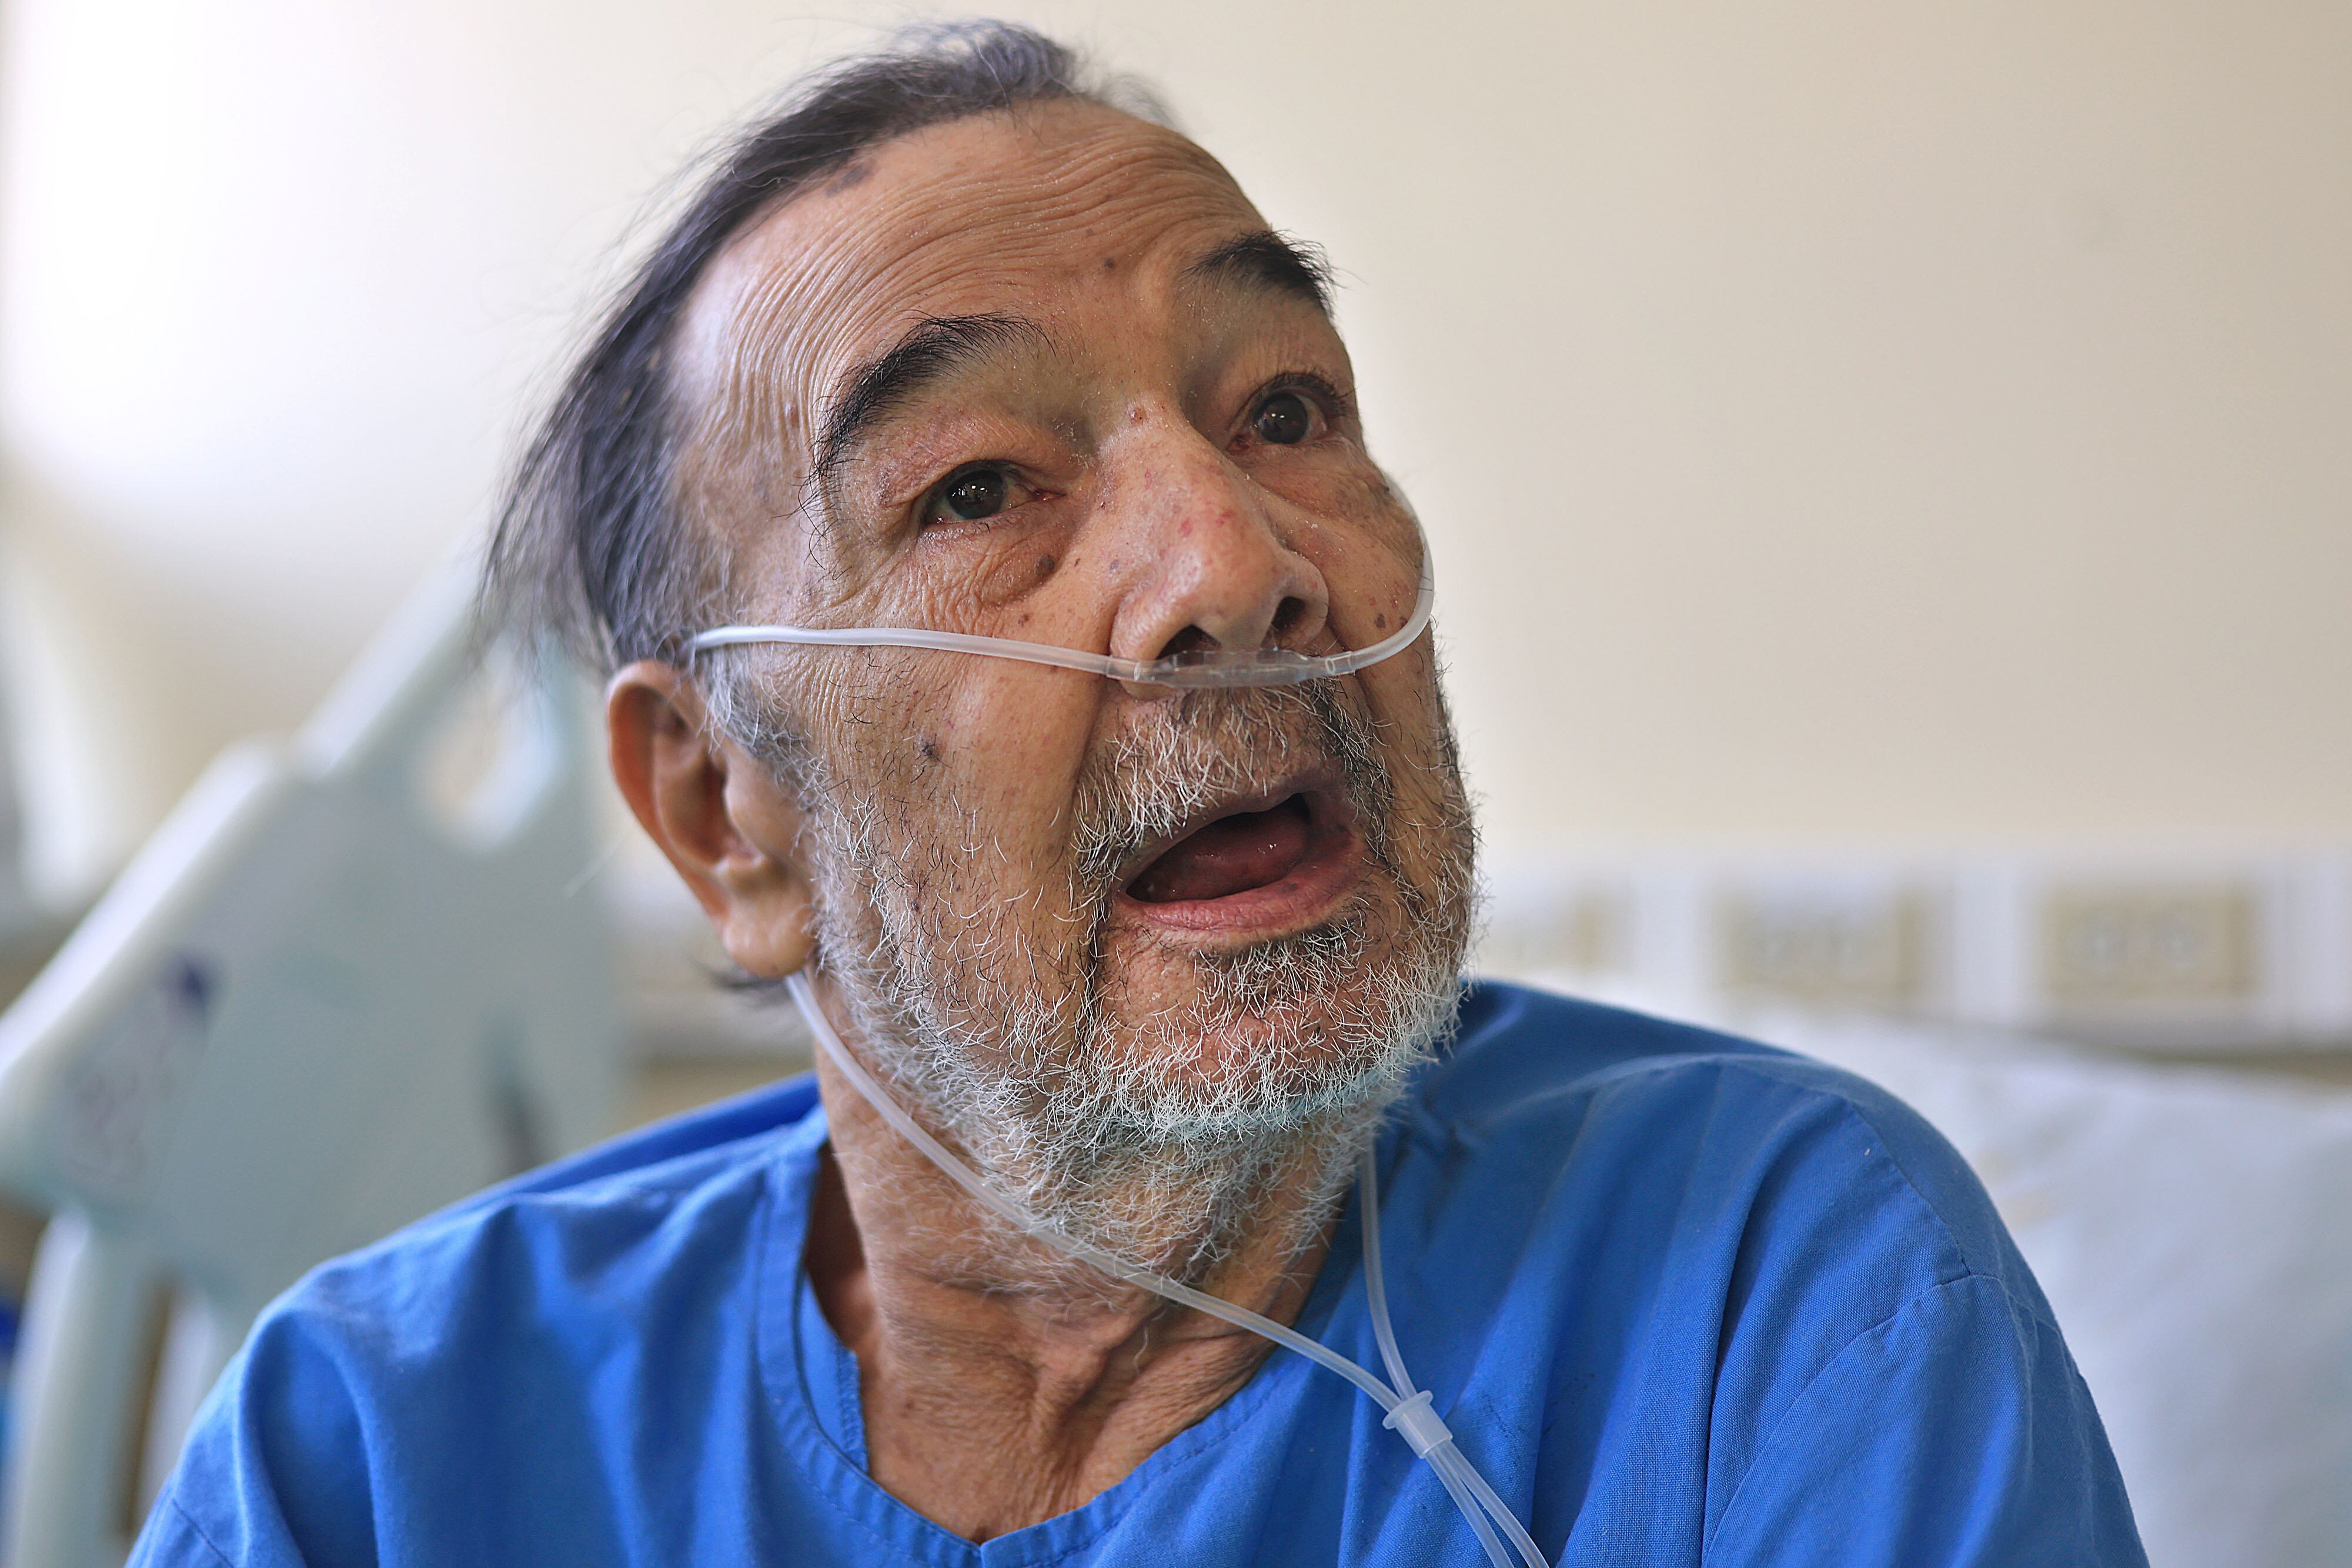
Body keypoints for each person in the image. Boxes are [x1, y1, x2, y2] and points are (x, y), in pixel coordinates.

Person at [133, 22, 2146, 1566]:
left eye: (1286, 409)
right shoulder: (377, 1452)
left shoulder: (1781, 1298)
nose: (1236, 564)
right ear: (724, 814)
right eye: (978, 487)